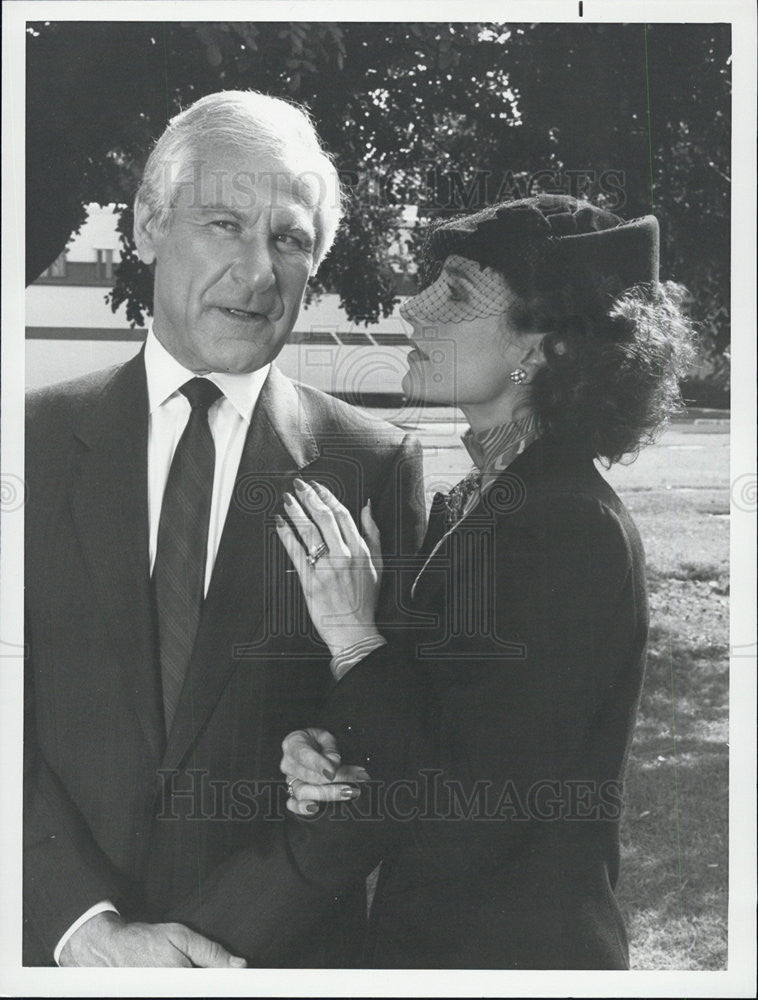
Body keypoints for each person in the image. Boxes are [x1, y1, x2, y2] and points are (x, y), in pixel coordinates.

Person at [23, 89, 425, 967]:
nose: (256, 273)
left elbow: (388, 758)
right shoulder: (31, 443)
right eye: (223, 224)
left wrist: (206, 947)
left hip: (271, 960)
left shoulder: (373, 464)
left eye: (288, 239)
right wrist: (84, 931)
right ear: (148, 225)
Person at [275, 195, 696, 968]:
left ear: (547, 348)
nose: (413, 308)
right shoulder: (484, 500)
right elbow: (442, 742)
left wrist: (353, 636)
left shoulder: (566, 526)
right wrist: (334, 763)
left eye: (458, 292)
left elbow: (471, 809)